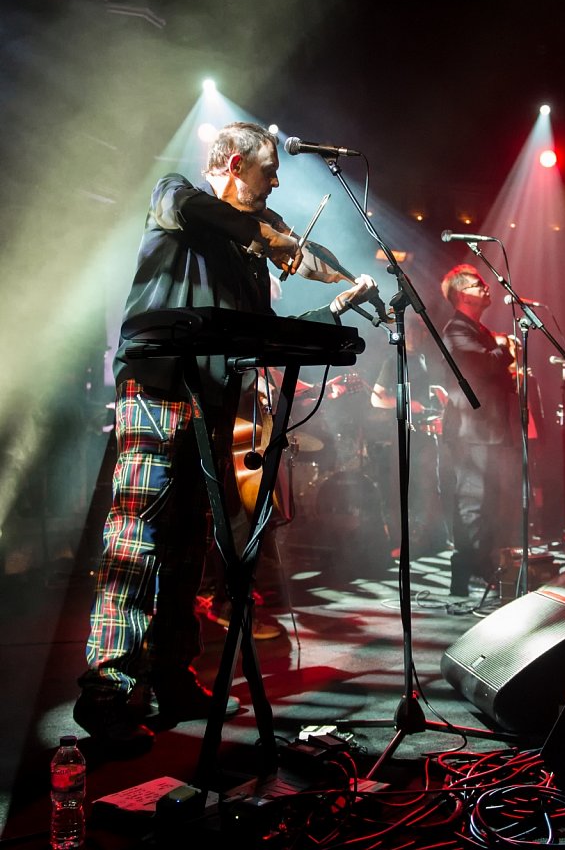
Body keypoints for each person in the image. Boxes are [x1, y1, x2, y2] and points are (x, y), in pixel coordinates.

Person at [74, 121, 379, 756]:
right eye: (268, 173)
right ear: (235, 162)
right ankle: (105, 695)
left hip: (212, 406)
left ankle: (169, 676)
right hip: (157, 393)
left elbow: (262, 334)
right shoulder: (175, 196)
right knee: (134, 542)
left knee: (188, 546)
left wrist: (336, 306)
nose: (275, 185)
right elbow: (210, 214)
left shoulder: (245, 259)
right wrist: (271, 239)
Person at [437, 264, 520, 596]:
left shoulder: (479, 330)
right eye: (477, 284)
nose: (486, 288)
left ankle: (483, 568)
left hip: (490, 429)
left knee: (490, 502)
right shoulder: (457, 329)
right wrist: (507, 351)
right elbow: (480, 365)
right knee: (473, 502)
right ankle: (467, 574)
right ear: (460, 294)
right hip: (472, 431)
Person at [368, 314, 450, 557]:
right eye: (417, 329)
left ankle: (430, 539)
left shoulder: (422, 358)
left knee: (428, 488)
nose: (422, 334)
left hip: (424, 434)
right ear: (407, 331)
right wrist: (407, 403)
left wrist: (436, 393)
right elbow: (376, 398)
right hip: (401, 436)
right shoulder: (394, 359)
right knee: (400, 490)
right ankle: (399, 542)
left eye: (423, 330)